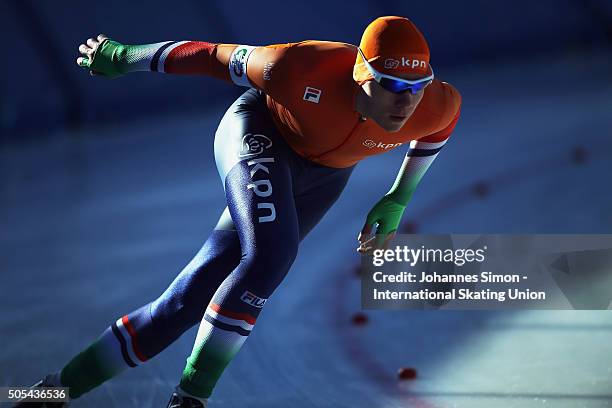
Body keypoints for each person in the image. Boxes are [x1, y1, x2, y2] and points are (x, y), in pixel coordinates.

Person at [15, 16, 460, 408]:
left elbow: (440, 127)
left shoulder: (435, 105)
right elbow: (209, 56)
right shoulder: (297, 66)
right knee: (271, 257)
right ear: (362, 75)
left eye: (417, 88)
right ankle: (190, 397)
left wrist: (398, 196)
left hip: (324, 176)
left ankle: (50, 393)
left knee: (184, 303)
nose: (406, 103)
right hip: (261, 133)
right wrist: (124, 54)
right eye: (393, 86)